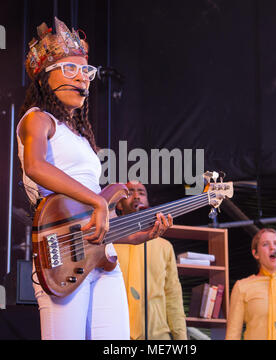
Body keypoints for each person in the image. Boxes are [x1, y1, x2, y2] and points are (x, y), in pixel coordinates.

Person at [16, 17, 172, 340]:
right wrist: (97, 199)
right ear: (46, 78)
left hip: (102, 261)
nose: (83, 80)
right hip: (60, 257)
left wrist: (139, 235)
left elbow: (97, 220)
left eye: (86, 72)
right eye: (70, 71)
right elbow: (34, 165)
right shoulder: (37, 120)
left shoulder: (83, 138)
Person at [113, 181, 187, 340]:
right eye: (130, 192)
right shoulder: (110, 243)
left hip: (157, 337)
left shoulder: (164, 247)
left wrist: (181, 337)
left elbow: (173, 295)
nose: (136, 196)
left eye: (141, 192)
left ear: (147, 203)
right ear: (119, 205)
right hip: (116, 332)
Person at [225, 228, 276, 340]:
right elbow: (233, 335)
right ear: (256, 254)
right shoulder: (243, 286)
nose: (272, 248)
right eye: (265, 244)